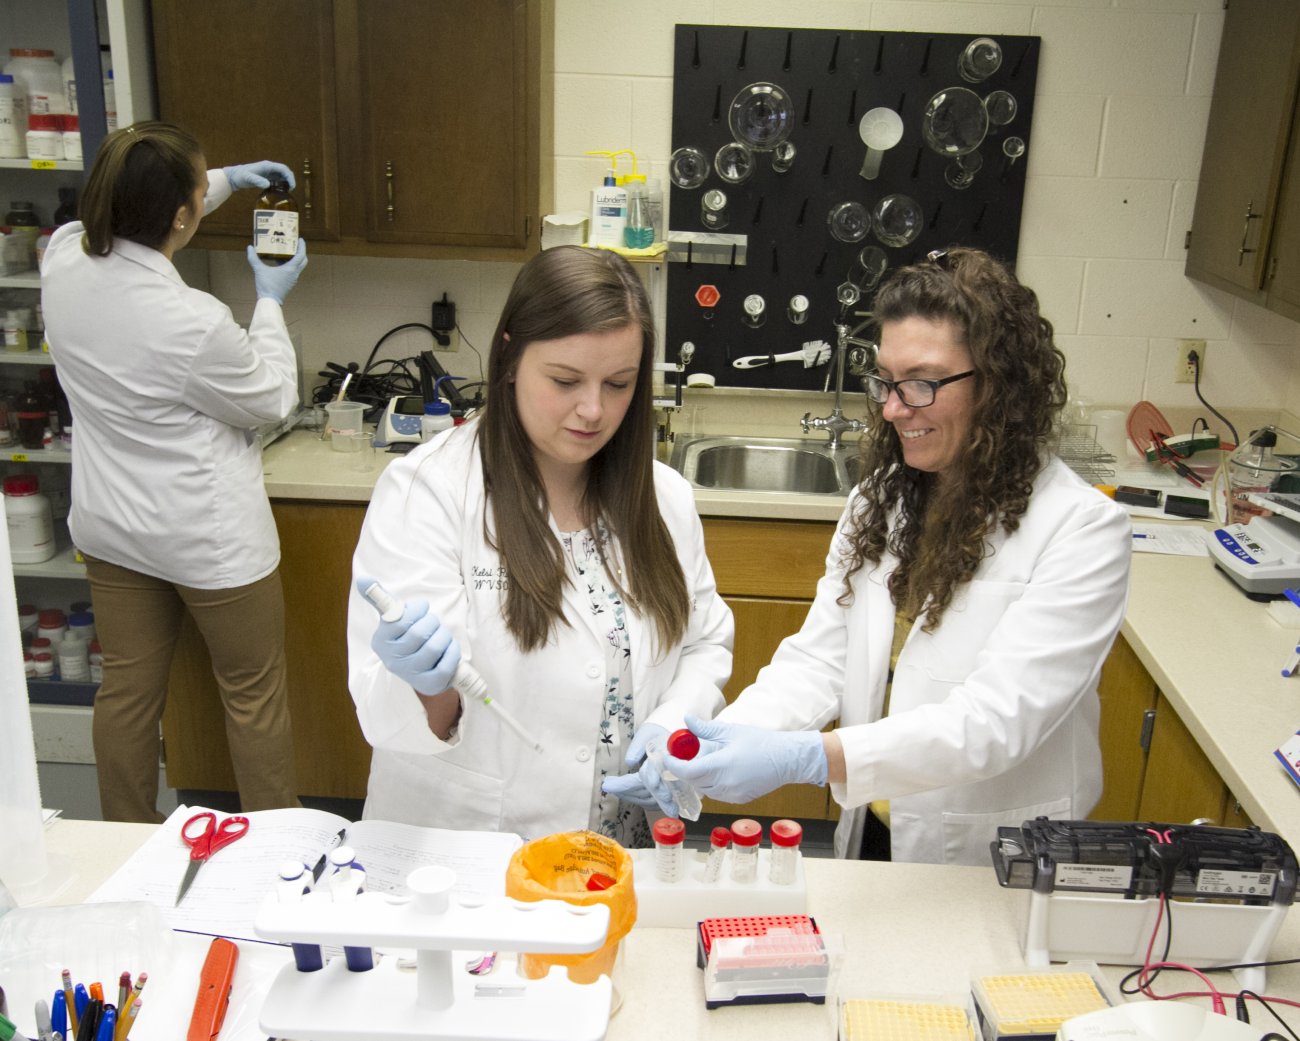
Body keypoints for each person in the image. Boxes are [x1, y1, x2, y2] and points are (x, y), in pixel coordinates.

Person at [608, 247, 1132, 866]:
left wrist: (810, 758)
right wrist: (716, 742)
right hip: (879, 826)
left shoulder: (1081, 529)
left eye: (922, 383)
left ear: (998, 385)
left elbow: (995, 723)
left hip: (995, 856)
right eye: (885, 380)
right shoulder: (881, 502)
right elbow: (820, 660)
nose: (891, 407)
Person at [347, 245, 733, 845]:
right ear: (509, 357)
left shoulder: (663, 498)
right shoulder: (430, 492)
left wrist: (672, 723)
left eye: (619, 383)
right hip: (467, 860)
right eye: (565, 380)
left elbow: (704, 642)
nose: (593, 410)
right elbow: (392, 719)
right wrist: (428, 686)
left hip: (618, 853)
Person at [41, 121, 309, 822]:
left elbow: (142, 215)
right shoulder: (193, 321)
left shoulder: (62, 258)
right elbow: (271, 396)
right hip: (207, 538)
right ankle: (275, 847)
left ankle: (124, 841)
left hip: (113, 529)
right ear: (182, 215)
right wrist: (272, 300)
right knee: (252, 693)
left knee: (126, 692)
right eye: (201, 187)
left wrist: (225, 177)